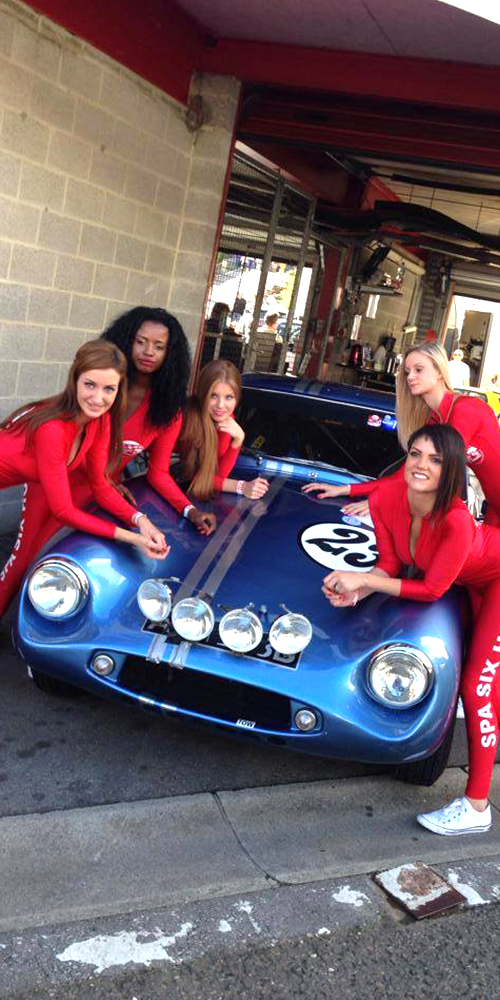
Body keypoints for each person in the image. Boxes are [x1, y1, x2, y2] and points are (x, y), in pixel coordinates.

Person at [322, 423, 500, 836]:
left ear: (451, 469)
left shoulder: (456, 520)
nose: (421, 465)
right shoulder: (384, 497)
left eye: (436, 460)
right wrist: (358, 591)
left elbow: (431, 589)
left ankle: (476, 807)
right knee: (486, 684)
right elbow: (389, 564)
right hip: (473, 582)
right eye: (416, 454)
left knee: (477, 686)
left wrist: (360, 579)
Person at [0, 307, 211, 618]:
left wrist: (147, 520)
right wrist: (133, 534)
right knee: (23, 557)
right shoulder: (58, 424)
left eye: (159, 346)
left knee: (45, 561)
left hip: (84, 488)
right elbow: (65, 505)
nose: (98, 397)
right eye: (141, 341)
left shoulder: (111, 418)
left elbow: (110, 482)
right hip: (52, 484)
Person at [0, 340, 168, 595]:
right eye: (90, 384)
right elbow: (63, 510)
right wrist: (133, 538)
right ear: (75, 380)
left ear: (119, 389)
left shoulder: (101, 421)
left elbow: (100, 486)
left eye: (109, 388)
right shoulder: (53, 429)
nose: (98, 398)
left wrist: (141, 521)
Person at [304, 341, 500, 525]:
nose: (410, 377)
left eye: (419, 370)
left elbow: (440, 473)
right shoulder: (435, 420)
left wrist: (379, 502)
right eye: (407, 372)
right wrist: (346, 489)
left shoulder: (465, 409)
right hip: (494, 509)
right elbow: (405, 475)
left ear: (440, 372)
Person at [178, 359, 269, 501]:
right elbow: (199, 479)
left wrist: (238, 439)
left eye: (229, 397)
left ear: (237, 398)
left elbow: (218, 476)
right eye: (213, 396)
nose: (220, 405)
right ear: (202, 394)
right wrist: (242, 487)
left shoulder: (226, 420)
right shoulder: (188, 418)